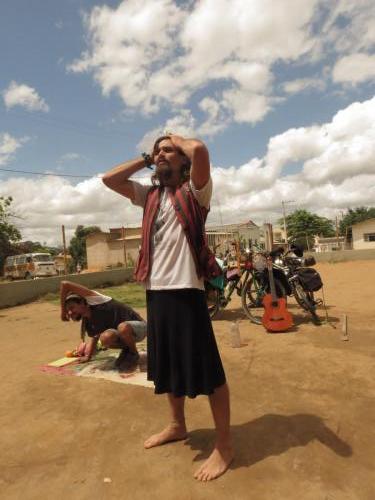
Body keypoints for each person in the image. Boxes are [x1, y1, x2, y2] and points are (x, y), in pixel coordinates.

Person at [102, 134, 233, 481]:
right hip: (156, 291)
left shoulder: (195, 192)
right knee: (167, 365)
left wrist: (174, 137)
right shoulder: (150, 195)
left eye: (168, 151)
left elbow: (201, 149)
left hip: (187, 292)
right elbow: (109, 180)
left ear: (183, 161)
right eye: (157, 151)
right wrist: (149, 157)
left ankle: (224, 445)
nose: (161, 153)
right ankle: (177, 425)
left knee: (209, 371)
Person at [60, 280, 147, 370]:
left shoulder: (96, 300)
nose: (69, 313)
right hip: (124, 334)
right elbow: (95, 337)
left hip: (140, 328)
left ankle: (133, 354)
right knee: (105, 338)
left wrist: (63, 312)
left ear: (82, 303)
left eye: (71, 308)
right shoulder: (88, 321)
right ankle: (127, 350)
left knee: (122, 327)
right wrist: (88, 357)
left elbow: (65, 284)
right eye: (67, 310)